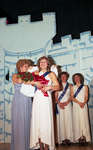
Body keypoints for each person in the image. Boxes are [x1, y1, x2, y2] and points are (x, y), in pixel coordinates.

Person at [29, 56, 60, 150]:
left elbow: (58, 87)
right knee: (37, 121)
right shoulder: (35, 73)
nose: (42, 63)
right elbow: (28, 81)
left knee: (45, 121)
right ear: (39, 63)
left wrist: (49, 87)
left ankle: (47, 145)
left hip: (46, 98)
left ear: (48, 64)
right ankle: (40, 146)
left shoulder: (51, 74)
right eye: (41, 62)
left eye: (44, 62)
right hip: (37, 98)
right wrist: (35, 83)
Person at [11, 59, 41, 150]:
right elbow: (20, 81)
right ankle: (19, 147)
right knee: (19, 123)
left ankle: (28, 146)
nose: (27, 68)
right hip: (18, 101)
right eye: (25, 66)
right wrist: (33, 80)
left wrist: (34, 71)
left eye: (28, 66)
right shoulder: (15, 75)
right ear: (20, 67)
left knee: (28, 122)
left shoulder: (30, 75)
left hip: (28, 100)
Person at [71, 73, 91, 144]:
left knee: (84, 120)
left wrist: (84, 102)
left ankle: (84, 137)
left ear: (80, 78)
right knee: (77, 120)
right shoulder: (72, 87)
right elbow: (72, 97)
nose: (76, 78)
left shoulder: (85, 86)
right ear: (73, 79)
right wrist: (79, 103)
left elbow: (86, 96)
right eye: (75, 77)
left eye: (78, 77)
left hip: (83, 105)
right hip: (76, 105)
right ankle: (79, 137)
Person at [55, 72, 73, 145]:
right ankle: (62, 138)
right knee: (61, 121)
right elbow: (55, 96)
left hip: (68, 105)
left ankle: (68, 138)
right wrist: (59, 103)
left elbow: (71, 95)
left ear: (67, 77)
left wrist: (67, 102)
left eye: (64, 76)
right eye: (62, 76)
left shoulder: (70, 85)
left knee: (68, 121)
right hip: (60, 105)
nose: (63, 77)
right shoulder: (57, 85)